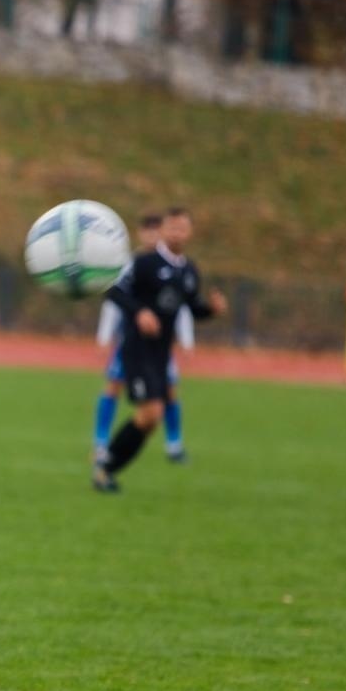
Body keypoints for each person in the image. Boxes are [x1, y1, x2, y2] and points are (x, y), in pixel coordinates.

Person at [93, 207, 225, 492]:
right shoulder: (144, 263)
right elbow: (113, 290)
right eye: (172, 227)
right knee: (152, 413)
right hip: (137, 349)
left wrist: (211, 309)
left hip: (162, 354)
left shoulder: (189, 270)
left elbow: (193, 307)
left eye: (182, 228)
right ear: (163, 230)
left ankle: (107, 468)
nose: (176, 233)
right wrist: (140, 312)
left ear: (189, 233)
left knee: (150, 421)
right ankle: (104, 466)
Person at [93, 213, 193, 462]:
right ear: (139, 234)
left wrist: (186, 339)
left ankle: (174, 444)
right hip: (131, 342)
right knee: (113, 386)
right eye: (146, 231)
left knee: (169, 391)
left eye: (155, 230)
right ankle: (101, 442)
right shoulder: (133, 263)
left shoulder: (176, 266)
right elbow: (114, 297)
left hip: (160, 347)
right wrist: (105, 335)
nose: (151, 236)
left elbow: (180, 306)